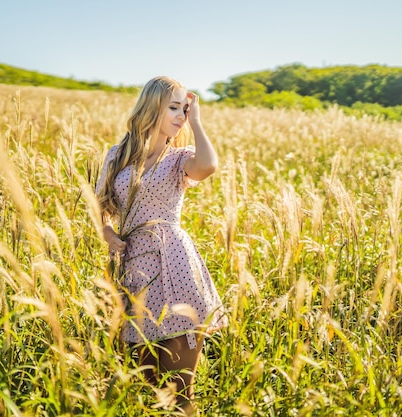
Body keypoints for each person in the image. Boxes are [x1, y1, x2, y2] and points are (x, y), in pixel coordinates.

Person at [96, 76, 228, 414]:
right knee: (146, 386)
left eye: (184, 109)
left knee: (180, 390)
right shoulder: (117, 154)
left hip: (176, 269)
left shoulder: (179, 158)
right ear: (151, 106)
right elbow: (100, 208)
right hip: (134, 273)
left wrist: (197, 120)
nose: (181, 115)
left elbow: (208, 166)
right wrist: (108, 234)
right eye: (174, 107)